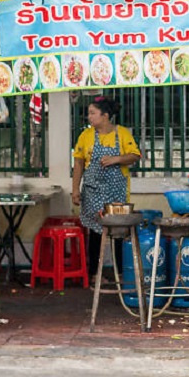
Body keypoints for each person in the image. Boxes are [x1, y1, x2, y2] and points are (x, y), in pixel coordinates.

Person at [71, 96, 141, 279]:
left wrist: (116, 159)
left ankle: (120, 273)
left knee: (118, 232)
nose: (89, 117)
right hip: (92, 191)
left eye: (93, 113)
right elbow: (78, 164)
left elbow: (135, 155)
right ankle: (95, 273)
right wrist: (75, 189)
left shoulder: (122, 134)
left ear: (105, 115)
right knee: (95, 232)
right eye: (89, 114)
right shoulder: (85, 136)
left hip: (117, 191)